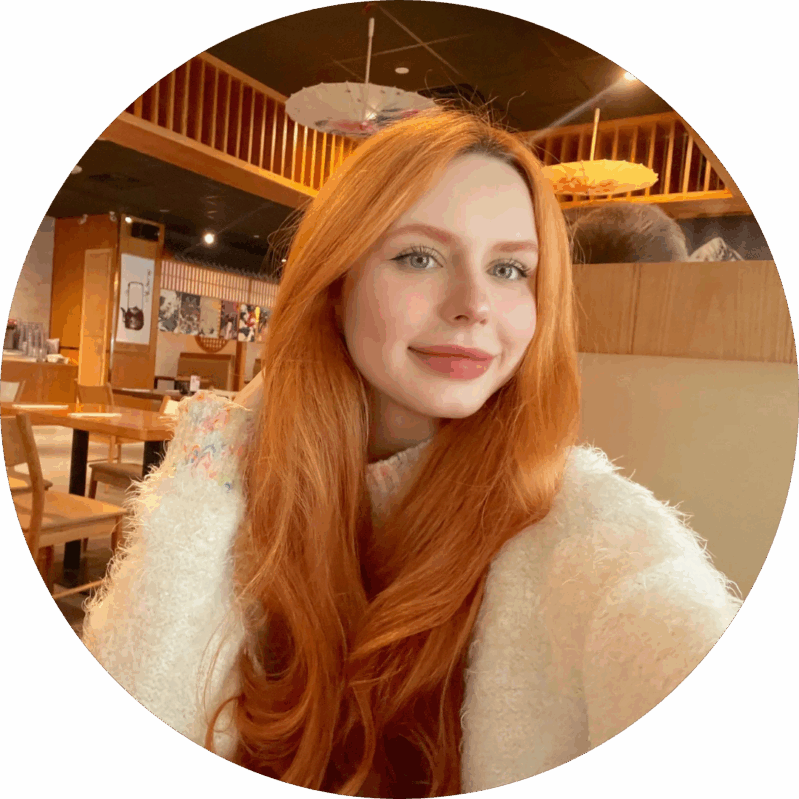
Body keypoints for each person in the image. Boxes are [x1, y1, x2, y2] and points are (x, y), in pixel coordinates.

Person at [82, 108, 742, 798]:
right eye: (419, 256)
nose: (474, 304)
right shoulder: (248, 489)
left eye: (510, 268)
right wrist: (227, 436)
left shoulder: (586, 528)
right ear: (335, 284)